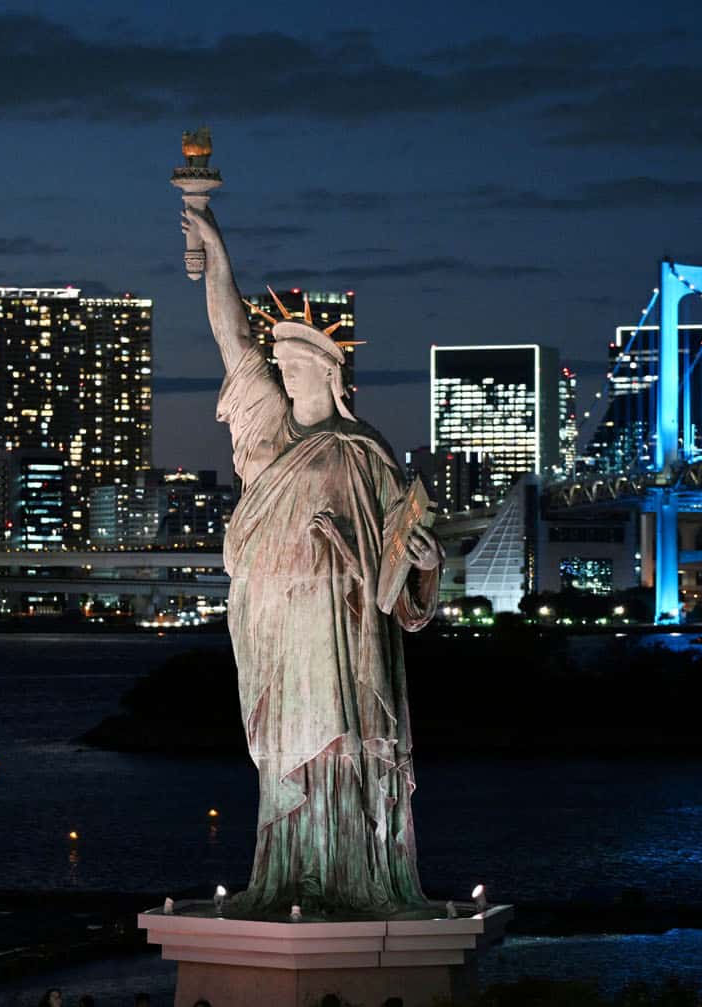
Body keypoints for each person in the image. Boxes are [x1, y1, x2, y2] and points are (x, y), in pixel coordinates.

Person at [182, 205, 442, 916]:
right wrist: (216, 245)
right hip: (272, 617)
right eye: (284, 365)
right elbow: (232, 338)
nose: (288, 374)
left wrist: (424, 562)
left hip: (341, 621)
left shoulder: (365, 452)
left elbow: (405, 556)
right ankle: (290, 870)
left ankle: (349, 868)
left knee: (338, 739)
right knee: (284, 748)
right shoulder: (266, 425)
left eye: (302, 365)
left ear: (331, 375)